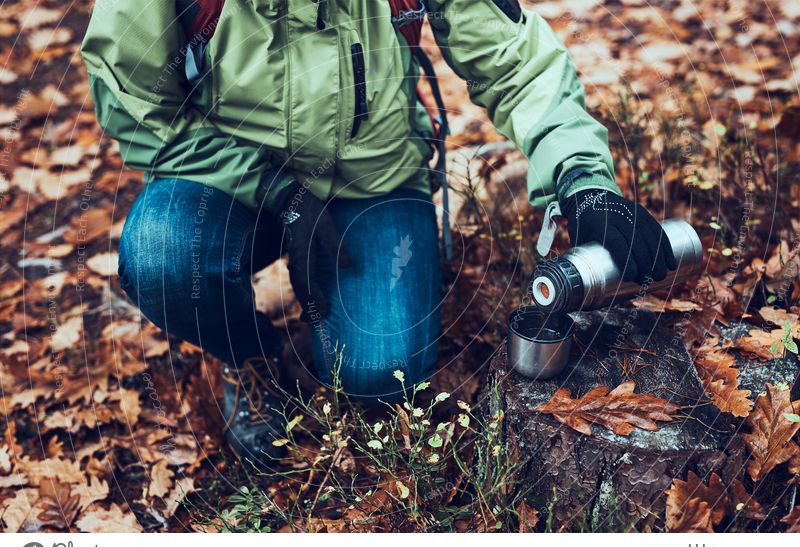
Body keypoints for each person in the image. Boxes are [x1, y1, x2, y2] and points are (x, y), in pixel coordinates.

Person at [80, 0, 675, 468]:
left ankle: (340, 310)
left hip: (375, 179)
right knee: (162, 255)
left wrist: (584, 181)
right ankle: (250, 358)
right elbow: (128, 97)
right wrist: (277, 193)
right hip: (228, 177)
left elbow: (517, 63)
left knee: (378, 373)